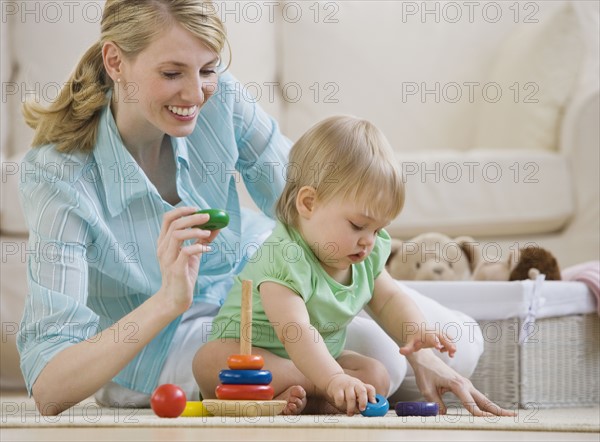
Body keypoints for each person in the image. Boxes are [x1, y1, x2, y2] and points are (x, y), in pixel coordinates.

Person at [17, 0, 509, 417]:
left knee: (458, 343)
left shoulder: (221, 99)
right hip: (165, 342)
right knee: (383, 362)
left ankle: (323, 383)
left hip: (264, 298)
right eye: (171, 73)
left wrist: (407, 329)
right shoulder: (59, 175)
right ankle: (319, 384)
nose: (194, 95)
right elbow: (49, 387)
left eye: (207, 70)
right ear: (115, 61)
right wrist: (170, 298)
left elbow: (319, 209)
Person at [193, 116, 512, 416]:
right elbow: (296, 331)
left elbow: (389, 300)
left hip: (321, 361)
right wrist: (332, 379)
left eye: (377, 229)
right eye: (358, 225)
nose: (369, 241)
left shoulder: (365, 253)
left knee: (377, 374)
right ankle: (319, 391)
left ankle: (311, 399)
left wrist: (416, 330)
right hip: (252, 354)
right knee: (208, 361)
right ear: (308, 203)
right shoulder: (283, 256)